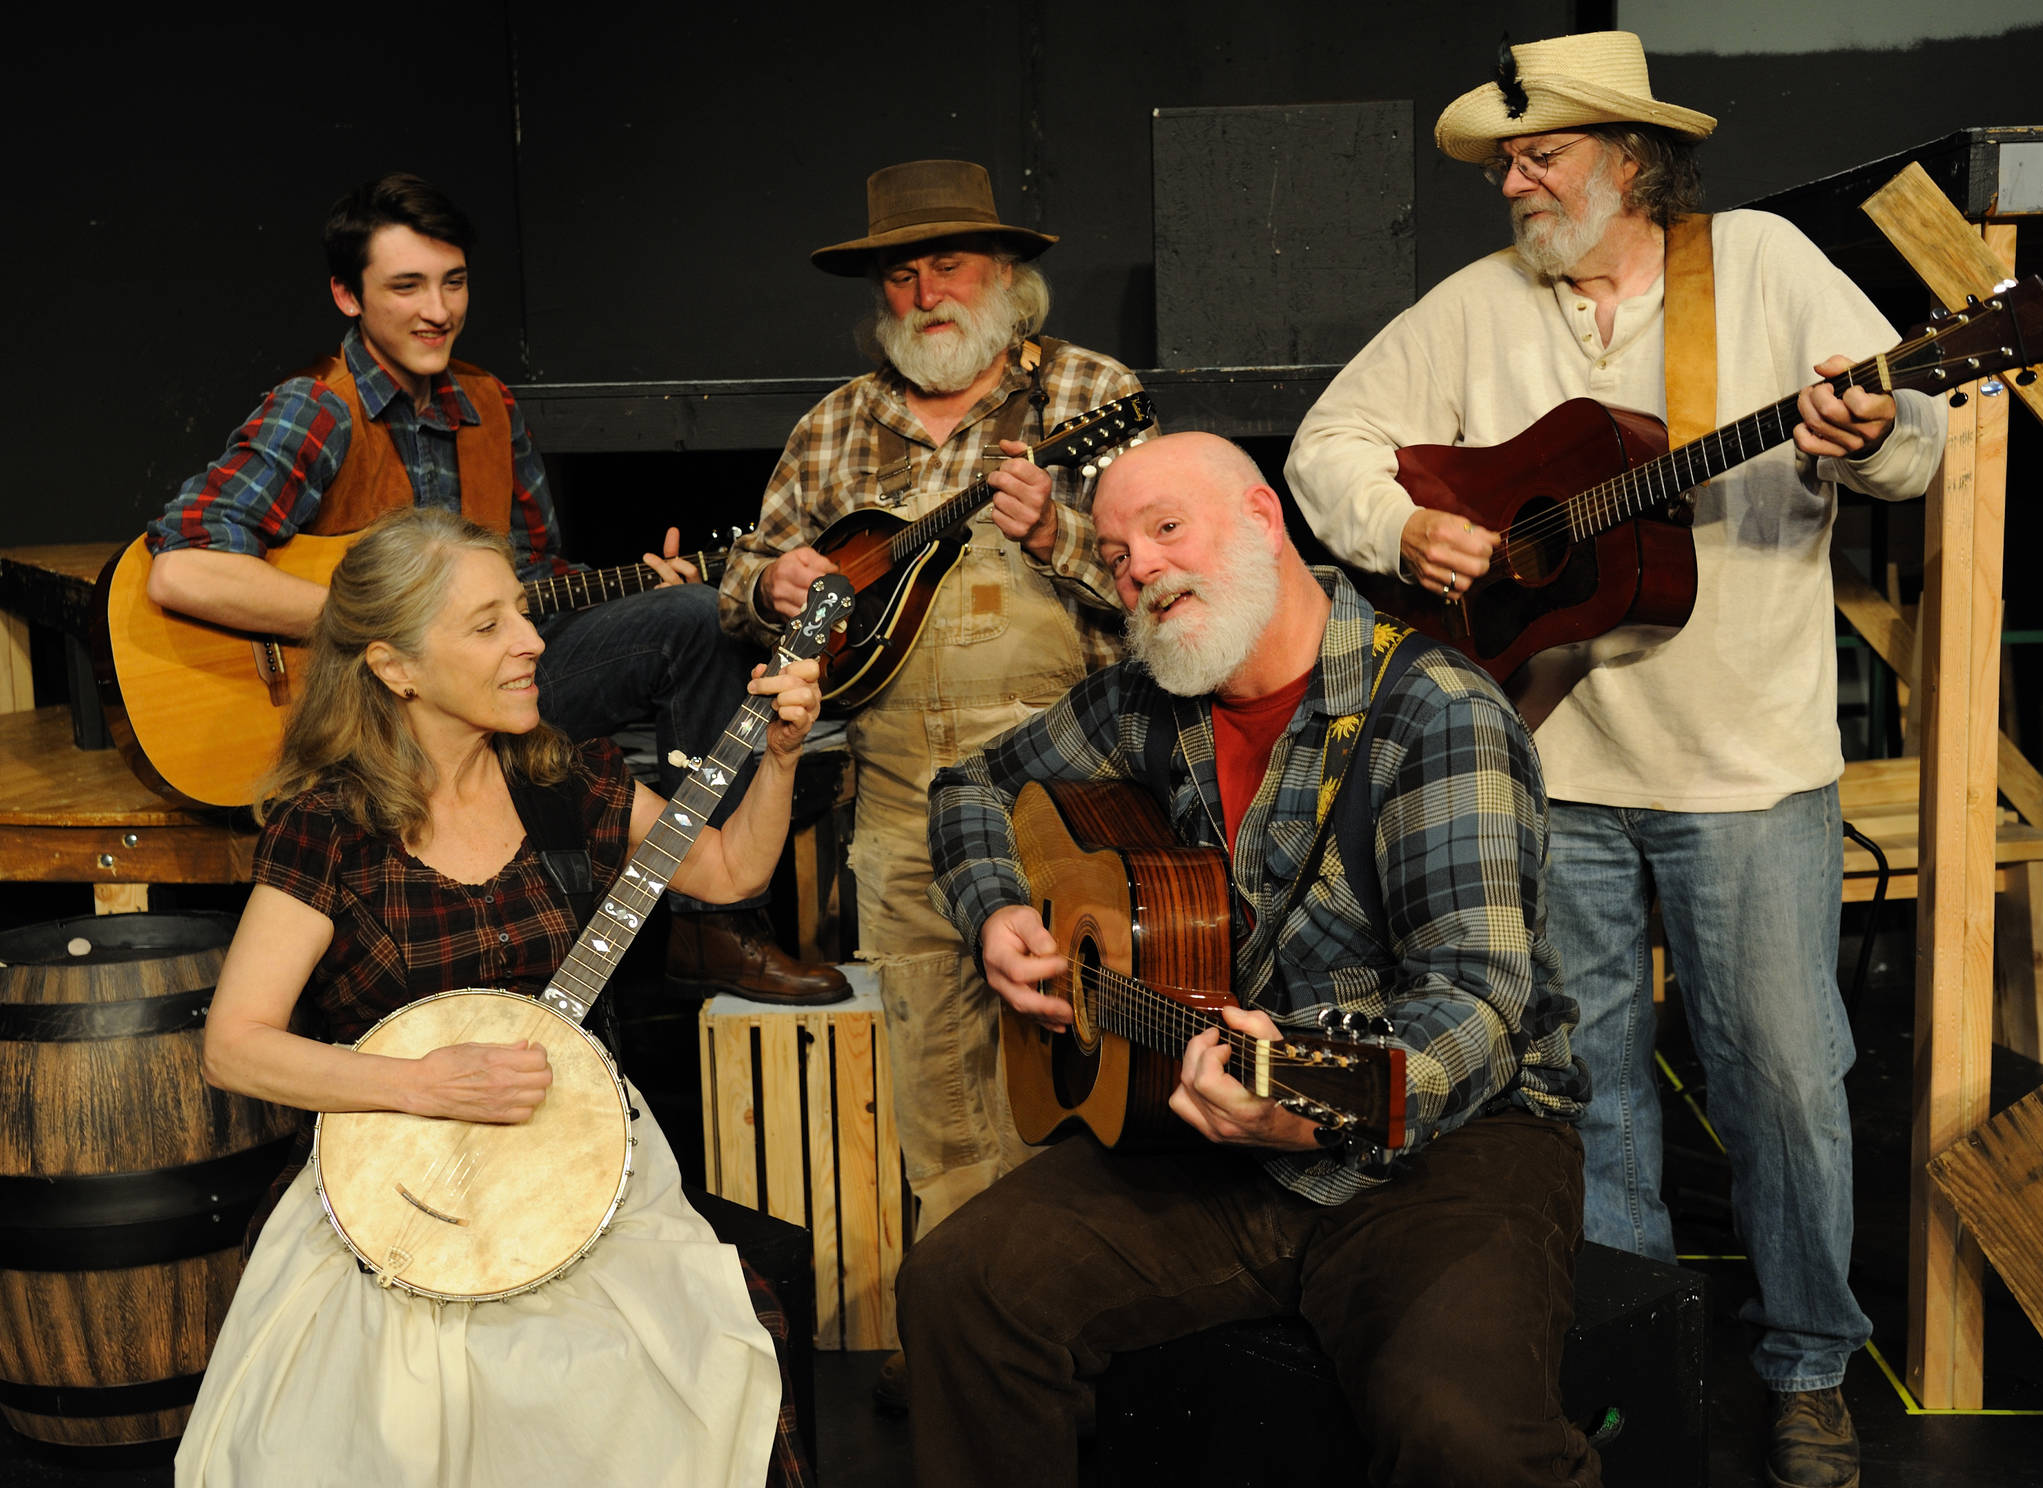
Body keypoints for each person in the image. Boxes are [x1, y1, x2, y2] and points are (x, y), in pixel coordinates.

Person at [1285, 32, 1945, 1488]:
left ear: (1633, 160)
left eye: (1542, 153)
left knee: (1783, 1080)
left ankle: (1808, 1366)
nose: (1513, 181)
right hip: (1551, 762)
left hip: (1746, 768)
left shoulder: (1760, 266)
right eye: (1506, 162)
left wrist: (1874, 426)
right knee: (1585, 1087)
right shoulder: (1474, 307)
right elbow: (1330, 443)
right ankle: (1633, 1346)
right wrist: (1406, 532)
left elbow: (1919, 442)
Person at [904, 432, 1594, 1485]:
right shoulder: (1149, 698)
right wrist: (998, 912)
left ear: (1263, 521)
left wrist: (1321, 1096)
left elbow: (1476, 999)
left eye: (1166, 528)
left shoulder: (1434, 713)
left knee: (1457, 1431)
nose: (1138, 567)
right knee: (960, 1286)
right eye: (1117, 550)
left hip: (1439, 1149)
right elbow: (969, 788)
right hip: (1208, 1134)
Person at [174, 507, 820, 1486]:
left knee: (667, 1372)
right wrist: (421, 1084)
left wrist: (775, 759)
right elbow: (236, 1046)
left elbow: (728, 872)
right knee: (407, 1411)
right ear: (395, 668)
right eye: (487, 626)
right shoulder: (329, 826)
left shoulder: (572, 780)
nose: (530, 642)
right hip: (398, 1174)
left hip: (581, 1156)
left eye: (521, 614)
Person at [146, 171, 844, 1006]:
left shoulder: (489, 403)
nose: (437, 309)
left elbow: (535, 579)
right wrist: (383, 625)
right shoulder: (317, 410)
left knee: (689, 619)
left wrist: (627, 593)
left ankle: (708, 919)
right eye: (406, 286)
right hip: (382, 698)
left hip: (480, 677)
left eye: (454, 281)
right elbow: (182, 565)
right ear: (346, 294)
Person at [718, 160, 1145, 1340]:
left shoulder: (1088, 397)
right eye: (899, 273)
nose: (922, 293)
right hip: (902, 814)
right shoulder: (836, 425)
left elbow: (1169, 588)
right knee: (944, 1103)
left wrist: (1061, 536)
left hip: (1077, 814)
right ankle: (971, 1346)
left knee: (1084, 1077)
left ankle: (1089, 1340)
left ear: (1007, 278)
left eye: (947, 264)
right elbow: (738, 579)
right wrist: (775, 582)